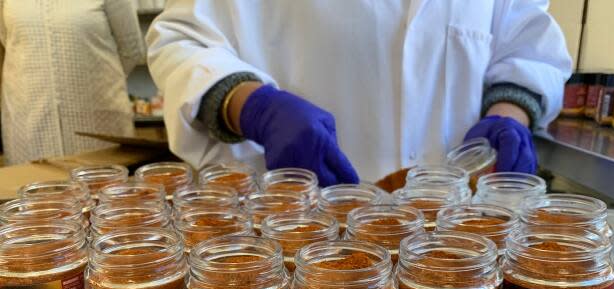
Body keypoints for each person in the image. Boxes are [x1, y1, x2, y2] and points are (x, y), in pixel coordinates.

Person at [147, 0, 572, 186]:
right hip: (293, 225)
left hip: (452, 240)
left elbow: (527, 47)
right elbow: (183, 41)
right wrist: (252, 105)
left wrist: (508, 116)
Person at [0, 0, 145, 165]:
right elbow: (9, 41)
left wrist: (96, 80)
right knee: (32, 185)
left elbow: (132, 49)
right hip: (28, 125)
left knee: (103, 184)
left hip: (98, 123)